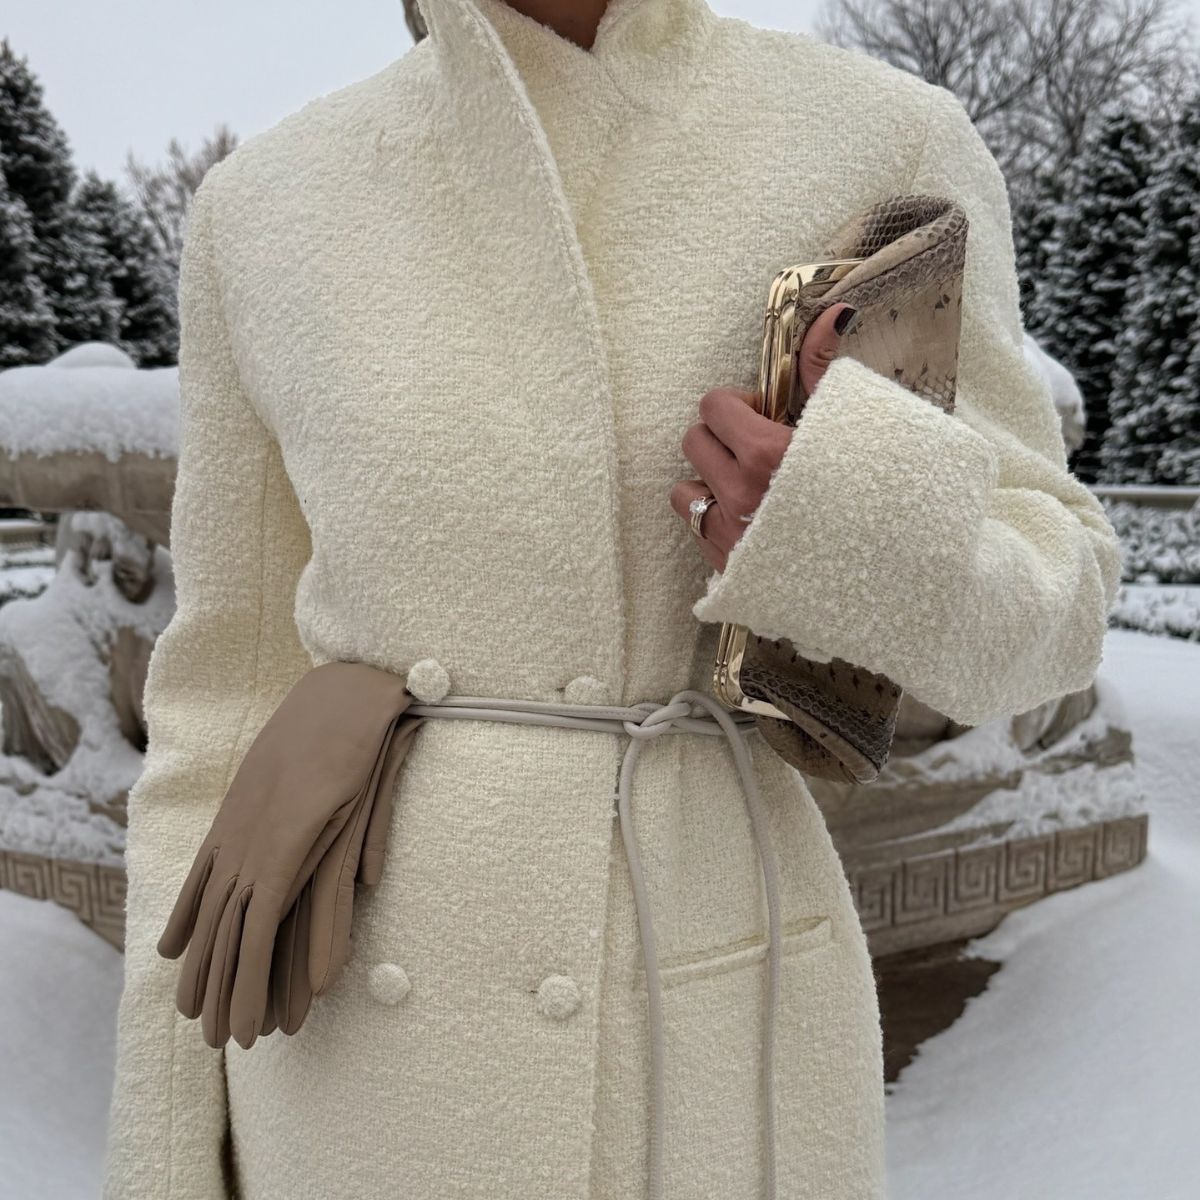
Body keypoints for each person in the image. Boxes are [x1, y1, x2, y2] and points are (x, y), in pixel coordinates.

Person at [101, 0, 1122, 1197]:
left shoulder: (880, 138)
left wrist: (841, 522)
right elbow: (216, 710)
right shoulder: (264, 207)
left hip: (723, 1019)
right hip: (363, 1061)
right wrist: (163, 1157)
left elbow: (1061, 598)